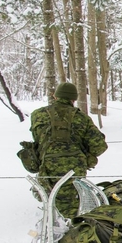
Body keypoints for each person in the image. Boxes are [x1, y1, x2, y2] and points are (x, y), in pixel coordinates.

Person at [30, 82, 108, 218]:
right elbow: (99, 145)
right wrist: (87, 155)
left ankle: (51, 224)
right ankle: (71, 228)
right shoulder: (82, 118)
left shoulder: (37, 115)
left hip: (46, 165)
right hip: (74, 169)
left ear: (55, 96)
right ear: (74, 99)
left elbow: (37, 141)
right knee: (71, 205)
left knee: (49, 197)